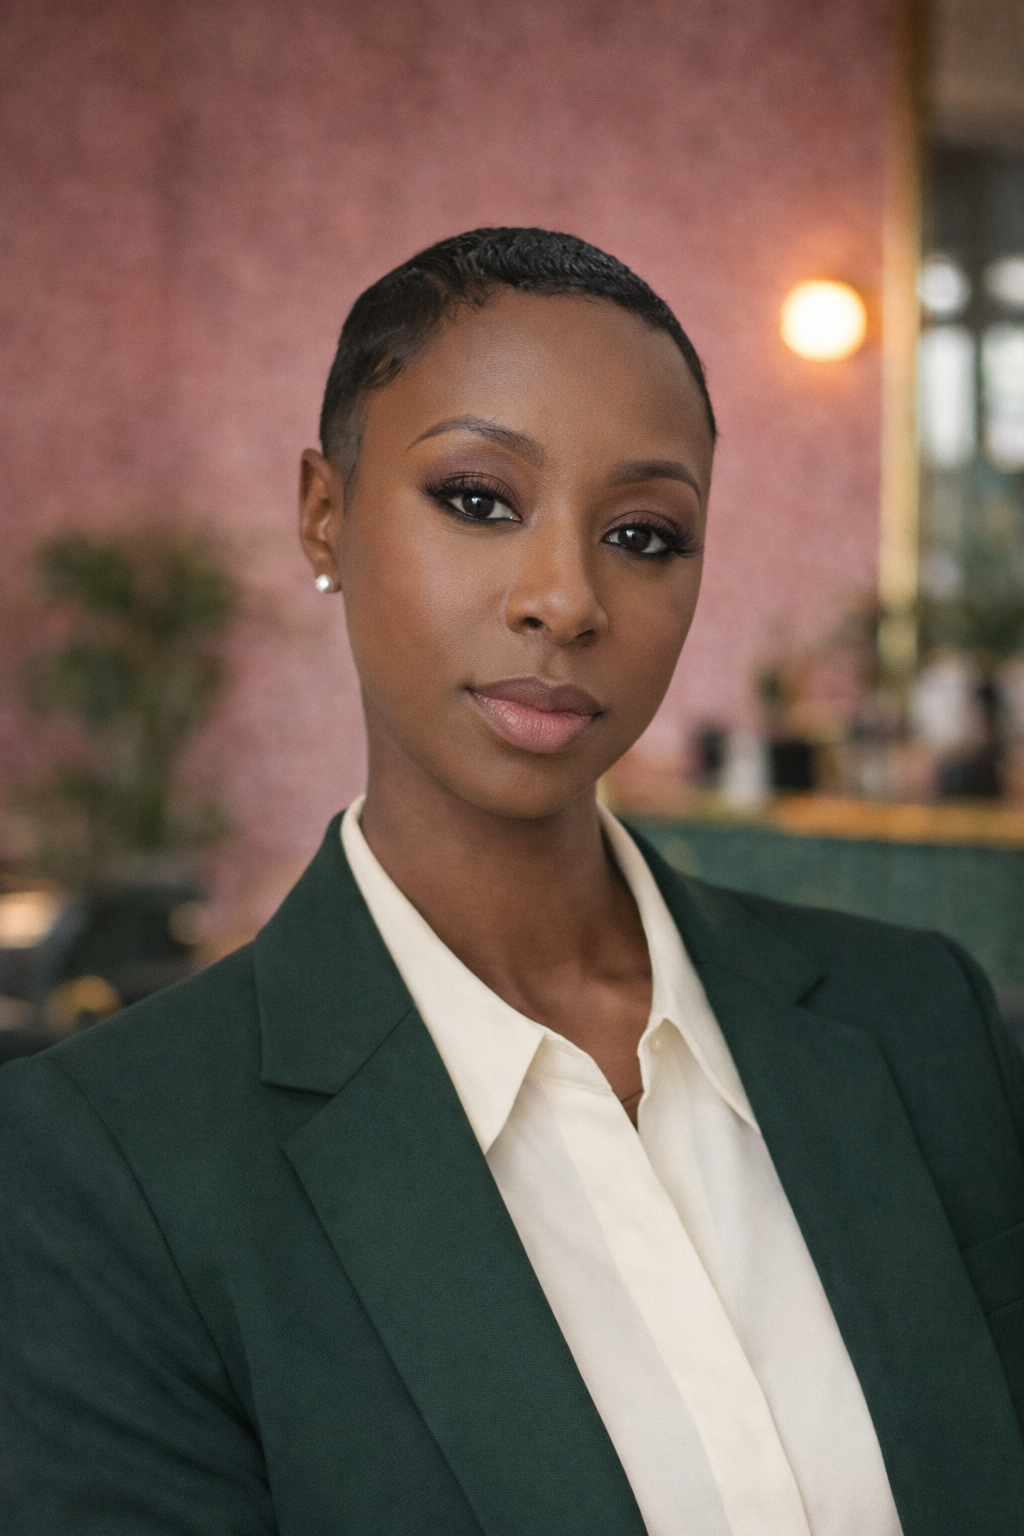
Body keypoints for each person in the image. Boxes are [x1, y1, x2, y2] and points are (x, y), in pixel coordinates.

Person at [1, 228, 1023, 1536]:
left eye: (645, 533)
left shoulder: (922, 1024)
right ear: (325, 513)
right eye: (480, 500)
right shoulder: (114, 1161)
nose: (565, 599)